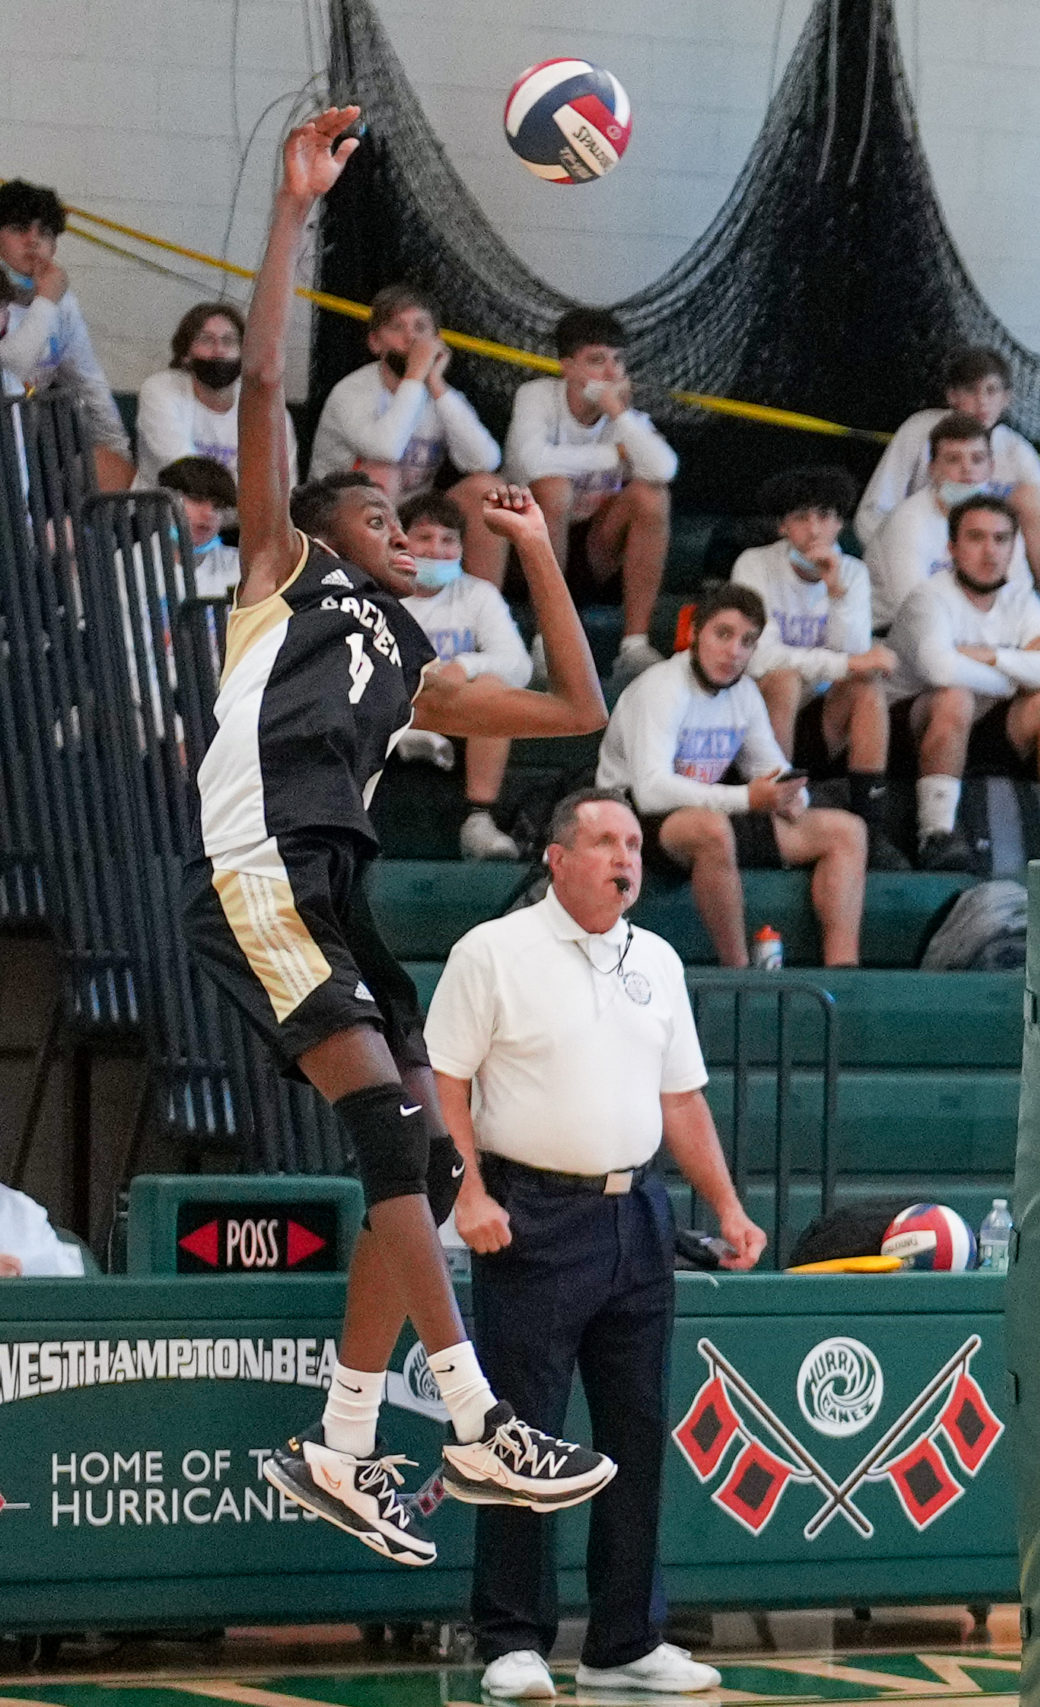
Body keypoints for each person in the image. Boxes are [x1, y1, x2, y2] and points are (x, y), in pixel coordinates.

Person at [186, 109, 618, 1568]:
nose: (403, 525)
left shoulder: (415, 658)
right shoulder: (281, 567)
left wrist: (543, 551)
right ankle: (476, 1414)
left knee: (422, 1168)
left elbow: (575, 700)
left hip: (335, 888)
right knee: (389, 1125)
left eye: (407, 517)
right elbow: (259, 381)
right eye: (379, 509)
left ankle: (344, 1439)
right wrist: (295, 212)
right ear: (326, 524)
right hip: (260, 868)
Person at [429, 788, 765, 1702]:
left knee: (634, 1433)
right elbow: (444, 1082)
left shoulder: (656, 957)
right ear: (558, 857)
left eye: (634, 844)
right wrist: (469, 1192)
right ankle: (510, 1637)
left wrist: (728, 1206)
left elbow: (681, 1100)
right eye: (607, 841)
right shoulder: (493, 952)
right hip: (530, 1214)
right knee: (518, 1435)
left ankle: (624, 1638)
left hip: (639, 1216)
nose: (626, 857)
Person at [594, 582, 870, 968]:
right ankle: (738, 970)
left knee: (847, 831)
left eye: (747, 641)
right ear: (694, 634)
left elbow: (771, 769)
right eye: (723, 634)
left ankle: (844, 972)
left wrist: (792, 797)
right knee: (712, 830)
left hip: (706, 805)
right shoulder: (660, 688)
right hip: (630, 816)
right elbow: (651, 791)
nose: (734, 651)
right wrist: (747, 799)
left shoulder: (744, 695)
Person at [887, 495, 1040, 873]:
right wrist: (1022, 672)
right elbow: (941, 671)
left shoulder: (1021, 600)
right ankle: (936, 834)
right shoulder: (927, 598)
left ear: (1014, 547)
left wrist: (991, 656)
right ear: (952, 548)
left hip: (987, 727)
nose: (990, 551)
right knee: (954, 697)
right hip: (911, 731)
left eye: (1001, 539)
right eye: (976, 538)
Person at [855, 346, 1040, 647]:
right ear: (951, 395)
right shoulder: (919, 431)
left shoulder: (1016, 451)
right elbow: (872, 512)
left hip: (982, 571)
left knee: (1031, 500)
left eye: (992, 391)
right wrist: (900, 551)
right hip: (920, 566)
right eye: (971, 391)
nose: (982, 402)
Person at [504, 308, 677, 674]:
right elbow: (532, 462)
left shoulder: (625, 419)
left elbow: (663, 469)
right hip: (529, 550)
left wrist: (619, 415)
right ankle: (547, 639)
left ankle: (634, 646)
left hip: (595, 553)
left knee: (651, 495)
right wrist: (614, 454)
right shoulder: (536, 396)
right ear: (568, 367)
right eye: (597, 361)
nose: (613, 373)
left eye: (618, 361)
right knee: (553, 489)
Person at [726, 466, 897, 805]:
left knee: (867, 688)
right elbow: (759, 658)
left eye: (824, 516)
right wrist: (847, 663)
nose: (814, 529)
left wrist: (835, 591)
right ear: (783, 525)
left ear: (838, 524)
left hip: (820, 718)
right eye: (802, 517)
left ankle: (870, 817)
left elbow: (856, 658)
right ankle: (777, 805)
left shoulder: (854, 573)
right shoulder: (753, 565)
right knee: (784, 679)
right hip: (756, 713)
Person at [311, 285, 506, 584]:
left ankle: (485, 606)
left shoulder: (439, 394)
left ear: (437, 341)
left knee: (487, 488)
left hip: (415, 515)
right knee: (381, 473)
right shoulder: (351, 391)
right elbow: (385, 449)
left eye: (420, 328)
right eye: (397, 327)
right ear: (375, 342)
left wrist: (437, 386)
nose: (411, 338)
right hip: (338, 514)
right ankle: (373, 599)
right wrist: (415, 375)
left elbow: (485, 460)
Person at [394, 490, 532, 861]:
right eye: (424, 537)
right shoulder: (381, 594)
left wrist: (464, 666)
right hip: (395, 706)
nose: (436, 549)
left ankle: (479, 820)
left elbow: (519, 665)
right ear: (401, 542)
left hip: (457, 711)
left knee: (494, 687)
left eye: (448, 540)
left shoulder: (478, 594)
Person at [0, 179, 133, 489]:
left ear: (55, 246)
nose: (33, 241)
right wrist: (46, 300)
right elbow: (13, 367)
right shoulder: (52, 298)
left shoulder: (63, 303)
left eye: (44, 233)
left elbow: (88, 382)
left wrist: (119, 452)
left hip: (25, 441)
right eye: (20, 229)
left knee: (109, 468)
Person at [867, 414, 1034, 629]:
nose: (967, 469)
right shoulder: (907, 523)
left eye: (977, 459)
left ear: (991, 467)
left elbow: (1020, 595)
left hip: (979, 634)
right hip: (894, 636)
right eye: (954, 459)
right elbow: (916, 613)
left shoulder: (999, 520)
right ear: (932, 469)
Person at [136, 302, 274, 487]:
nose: (219, 350)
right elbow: (185, 472)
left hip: (237, 515)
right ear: (186, 353)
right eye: (207, 340)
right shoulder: (160, 390)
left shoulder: (262, 408)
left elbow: (278, 483)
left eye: (229, 341)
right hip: (165, 513)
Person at [158, 455, 242, 600]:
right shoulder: (128, 564)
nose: (209, 513)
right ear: (166, 501)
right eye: (197, 499)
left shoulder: (241, 567)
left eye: (218, 506)